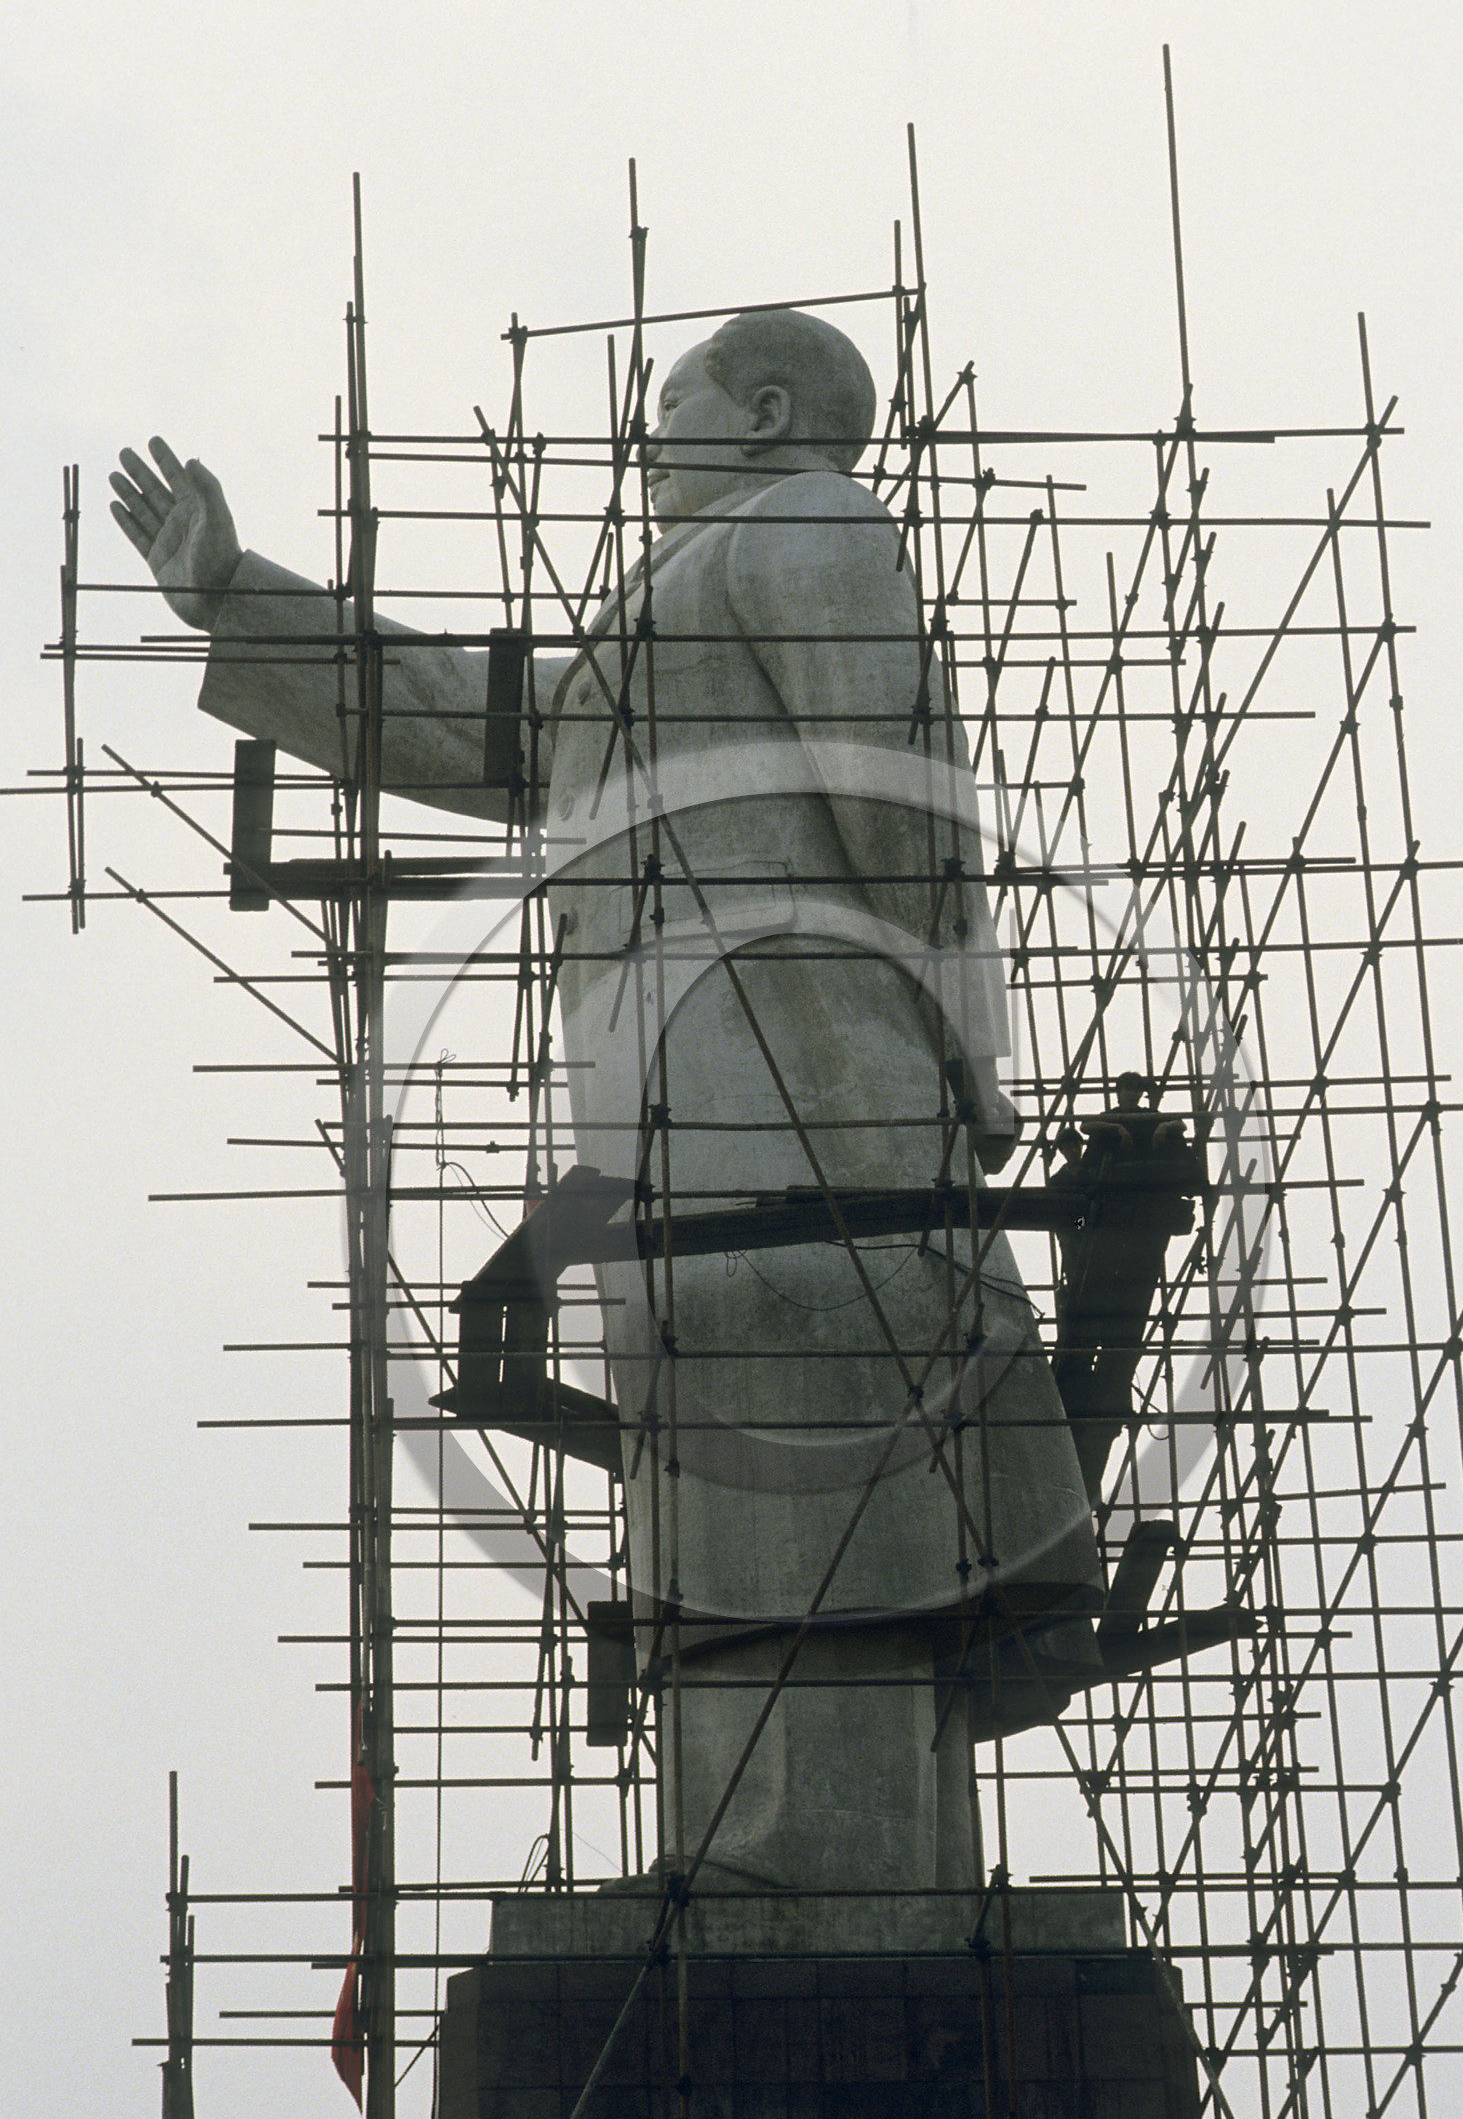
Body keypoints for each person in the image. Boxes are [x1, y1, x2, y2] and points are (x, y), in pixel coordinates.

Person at [112, 309, 1103, 1888]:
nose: (647, 437)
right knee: (719, 1449)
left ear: (767, 410)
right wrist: (238, 596)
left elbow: (903, 790)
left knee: (800, 1419)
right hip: (690, 1092)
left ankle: (815, 1866)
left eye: (671, 400)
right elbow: (453, 707)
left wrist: (959, 1069)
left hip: (804, 1080)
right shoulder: (664, 607)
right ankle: (767, 1847)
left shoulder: (813, 525)